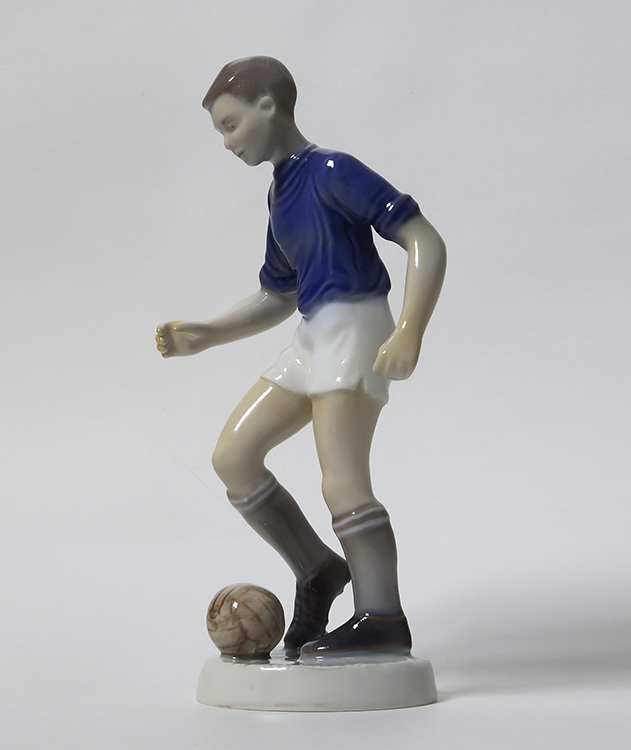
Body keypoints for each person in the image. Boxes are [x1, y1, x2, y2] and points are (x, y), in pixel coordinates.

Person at [156, 57, 446, 658]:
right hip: (315, 334)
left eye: (231, 125)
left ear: (268, 106)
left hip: (357, 328)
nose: (227, 142)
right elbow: (279, 293)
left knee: (342, 480)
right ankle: (317, 567)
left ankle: (382, 616)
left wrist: (409, 330)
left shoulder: (334, 170)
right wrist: (208, 333)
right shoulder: (279, 192)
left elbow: (424, 238)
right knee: (234, 457)